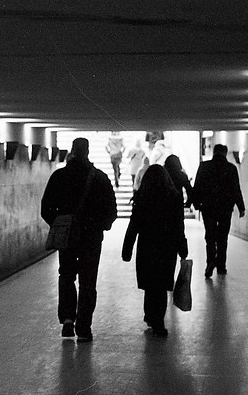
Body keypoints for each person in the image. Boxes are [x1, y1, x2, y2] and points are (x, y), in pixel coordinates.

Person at [41, 137, 117, 342]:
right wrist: (100, 225)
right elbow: (111, 210)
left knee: (66, 274)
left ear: (73, 151)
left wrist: (59, 224)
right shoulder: (99, 178)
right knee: (88, 280)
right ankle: (84, 326)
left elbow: (45, 207)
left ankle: (67, 319)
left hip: (67, 237)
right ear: (88, 151)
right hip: (91, 237)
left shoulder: (59, 176)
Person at [121, 164, 188, 337]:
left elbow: (133, 225)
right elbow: (178, 226)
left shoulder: (143, 196)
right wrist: (182, 247)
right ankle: (157, 320)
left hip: (147, 246)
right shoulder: (173, 197)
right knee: (161, 284)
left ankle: (151, 316)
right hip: (167, 247)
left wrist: (127, 248)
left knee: (151, 284)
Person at [190, 144, 246, 278]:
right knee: (222, 237)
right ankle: (221, 266)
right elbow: (235, 189)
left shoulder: (204, 167)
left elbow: (197, 186)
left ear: (214, 152)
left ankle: (210, 262)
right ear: (225, 153)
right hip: (225, 209)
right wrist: (241, 207)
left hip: (208, 207)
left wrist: (196, 204)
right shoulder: (231, 168)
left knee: (210, 236)